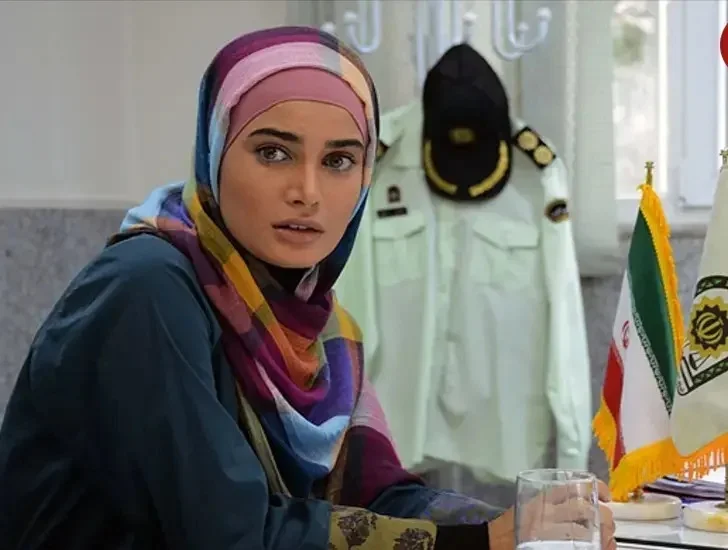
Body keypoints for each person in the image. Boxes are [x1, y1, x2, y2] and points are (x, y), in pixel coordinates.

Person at [0, 26, 615, 550]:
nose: (308, 192)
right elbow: (233, 534)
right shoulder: (146, 290)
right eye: (273, 153)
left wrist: (524, 523)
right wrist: (476, 542)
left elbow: (377, 497)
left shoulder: (315, 321)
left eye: (339, 160)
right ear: (214, 152)